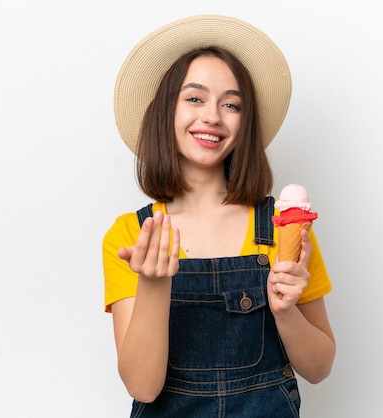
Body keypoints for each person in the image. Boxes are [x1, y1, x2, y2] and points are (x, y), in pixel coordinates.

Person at [102, 14, 335, 417]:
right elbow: (142, 385)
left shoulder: (282, 228)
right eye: (194, 98)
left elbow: (319, 367)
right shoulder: (130, 234)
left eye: (231, 104)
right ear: (165, 112)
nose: (213, 115)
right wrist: (154, 284)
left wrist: (285, 311)